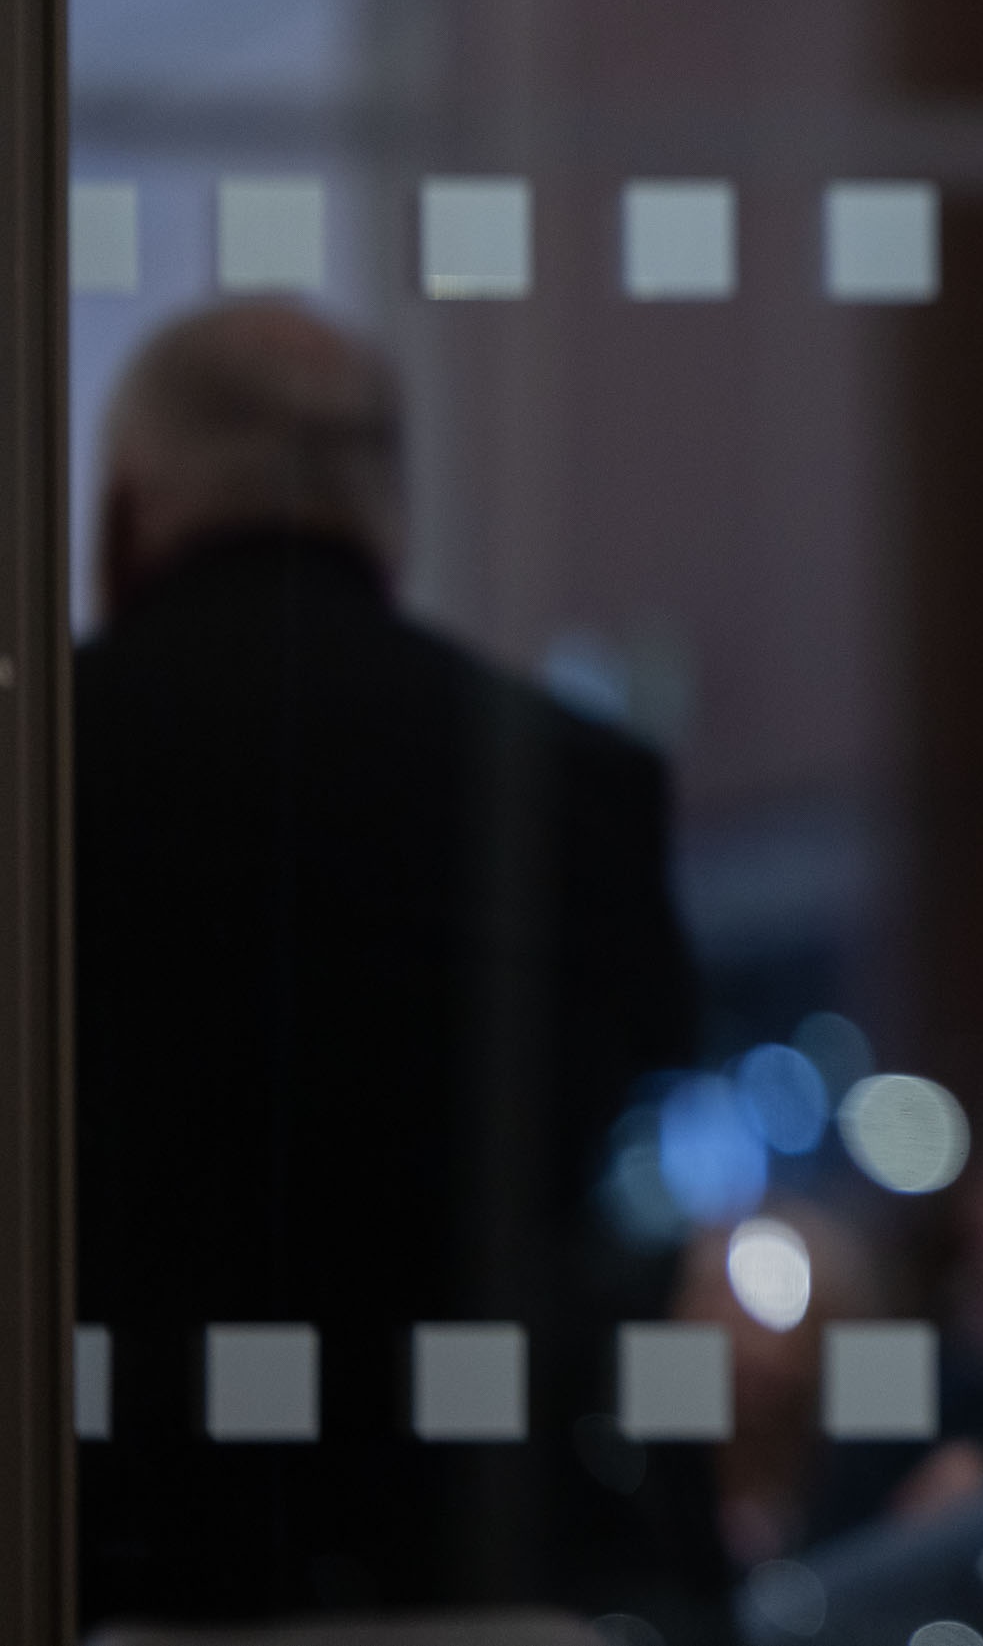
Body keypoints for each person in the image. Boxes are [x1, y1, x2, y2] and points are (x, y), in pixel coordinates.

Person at [74, 304, 711, 1619]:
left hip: (107, 1554)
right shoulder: (571, 781)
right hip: (473, 1556)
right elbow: (628, 1112)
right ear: (388, 512)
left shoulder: (48, 762)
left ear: (124, 514)